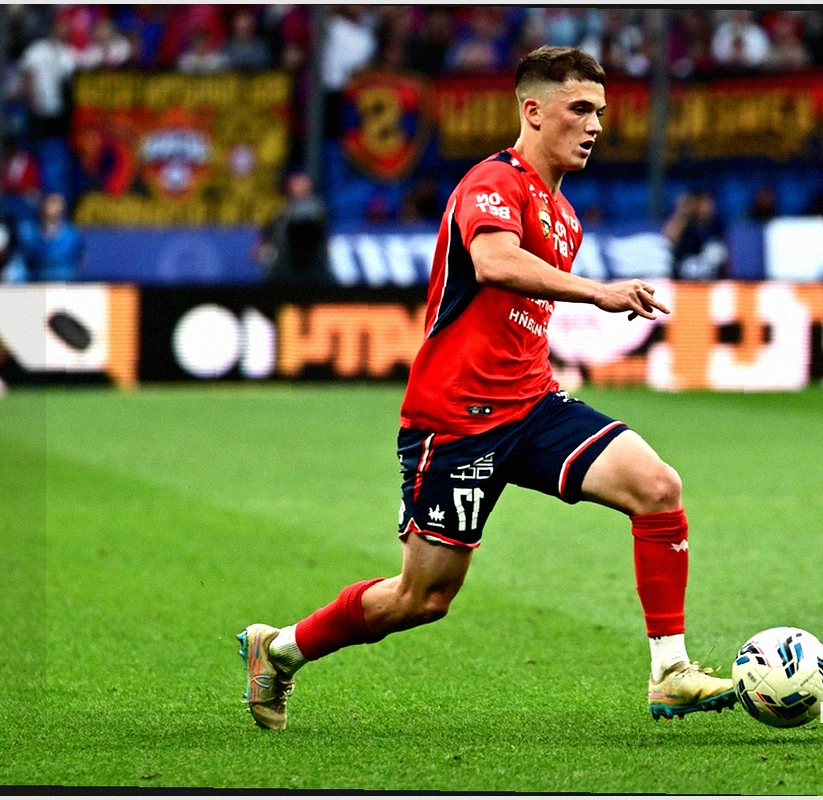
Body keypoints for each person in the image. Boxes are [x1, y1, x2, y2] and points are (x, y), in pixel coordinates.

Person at [237, 46, 735, 730]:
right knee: (423, 597)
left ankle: (670, 672)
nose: (595, 126)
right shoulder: (493, 181)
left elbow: (516, 313)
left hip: (532, 405)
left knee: (657, 487)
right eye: (580, 109)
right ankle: (280, 649)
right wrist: (597, 292)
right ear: (533, 111)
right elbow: (494, 262)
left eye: (600, 112)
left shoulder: (565, 216)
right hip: (457, 419)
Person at [258, 173, 331, 284]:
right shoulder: (278, 213)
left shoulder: (317, 210)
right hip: (285, 270)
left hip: (313, 272)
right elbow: (264, 243)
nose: (300, 186)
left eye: (302, 183)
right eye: (297, 183)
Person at [17, 193, 84, 282]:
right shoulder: (29, 231)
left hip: (64, 276)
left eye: (59, 204)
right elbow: (28, 257)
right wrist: (44, 236)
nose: (56, 207)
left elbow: (78, 258)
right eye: (52, 202)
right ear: (43, 205)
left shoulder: (72, 234)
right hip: (37, 275)